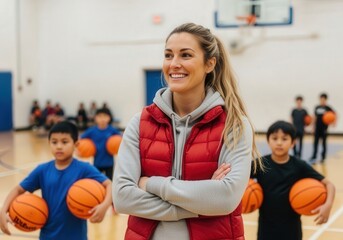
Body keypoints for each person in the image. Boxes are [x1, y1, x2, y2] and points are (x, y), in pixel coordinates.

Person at [113, 22, 262, 240]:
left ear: (210, 63)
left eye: (185, 55)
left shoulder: (234, 125)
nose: (174, 64)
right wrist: (200, 203)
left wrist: (150, 184)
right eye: (168, 55)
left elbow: (225, 199)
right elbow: (123, 197)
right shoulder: (140, 123)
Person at [0, 121, 112, 240]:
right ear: (49, 143)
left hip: (76, 236)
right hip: (48, 236)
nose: (59, 146)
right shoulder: (42, 170)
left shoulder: (84, 168)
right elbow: (18, 190)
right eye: (54, 142)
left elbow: (109, 184)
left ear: (76, 144)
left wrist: (104, 206)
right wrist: (3, 210)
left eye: (64, 142)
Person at [251, 120, 335, 240]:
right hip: (266, 228)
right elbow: (238, 180)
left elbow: (329, 185)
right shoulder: (260, 164)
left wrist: (328, 205)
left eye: (284, 139)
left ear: (293, 143)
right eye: (275, 138)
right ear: (268, 141)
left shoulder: (299, 165)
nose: (279, 143)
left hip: (292, 229)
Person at [81, 108, 121, 180]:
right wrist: (79, 150)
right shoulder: (92, 131)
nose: (102, 119)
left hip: (109, 163)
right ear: (95, 118)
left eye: (105, 116)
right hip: (97, 162)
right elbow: (80, 138)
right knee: (97, 182)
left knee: (109, 181)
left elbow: (121, 138)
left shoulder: (112, 130)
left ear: (109, 118)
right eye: (99, 116)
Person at [310, 93, 336, 164]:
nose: (322, 100)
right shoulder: (317, 107)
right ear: (320, 99)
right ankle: (314, 156)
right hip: (317, 128)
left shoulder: (328, 108)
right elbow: (314, 117)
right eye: (321, 99)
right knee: (315, 143)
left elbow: (334, 114)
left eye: (324, 99)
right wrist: (313, 127)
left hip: (324, 129)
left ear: (325, 100)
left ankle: (323, 158)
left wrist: (334, 123)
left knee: (324, 144)